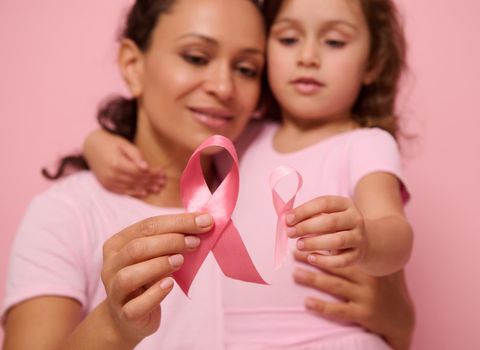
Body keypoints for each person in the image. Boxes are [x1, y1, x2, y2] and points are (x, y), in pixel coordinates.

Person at [82, 0, 415, 348]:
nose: (308, 56)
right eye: (288, 39)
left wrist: (366, 241)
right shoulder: (242, 137)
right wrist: (98, 143)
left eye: (333, 42)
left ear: (373, 63)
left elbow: (396, 231)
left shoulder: (365, 144)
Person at [1, 0, 266, 348]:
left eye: (246, 69)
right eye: (196, 58)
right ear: (132, 65)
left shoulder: (269, 181)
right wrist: (114, 325)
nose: (224, 87)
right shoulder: (68, 213)